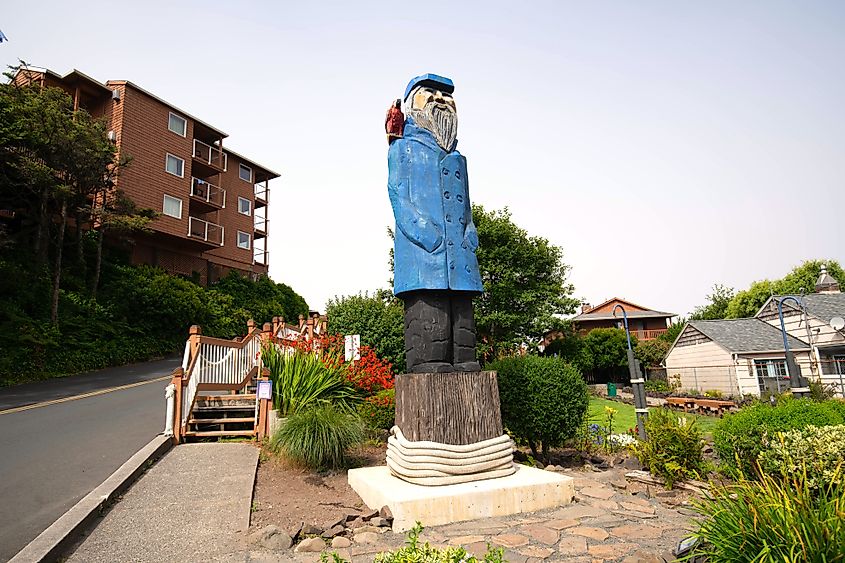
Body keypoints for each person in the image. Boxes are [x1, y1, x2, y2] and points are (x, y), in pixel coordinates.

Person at [386, 74, 482, 373]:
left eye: (446, 95)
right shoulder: (403, 149)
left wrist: (471, 231)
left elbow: (465, 202)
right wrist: (423, 233)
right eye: (430, 92)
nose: (440, 99)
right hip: (424, 252)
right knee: (430, 315)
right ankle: (428, 359)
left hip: (460, 252)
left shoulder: (458, 160)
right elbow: (398, 194)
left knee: (463, 319)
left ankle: (463, 358)